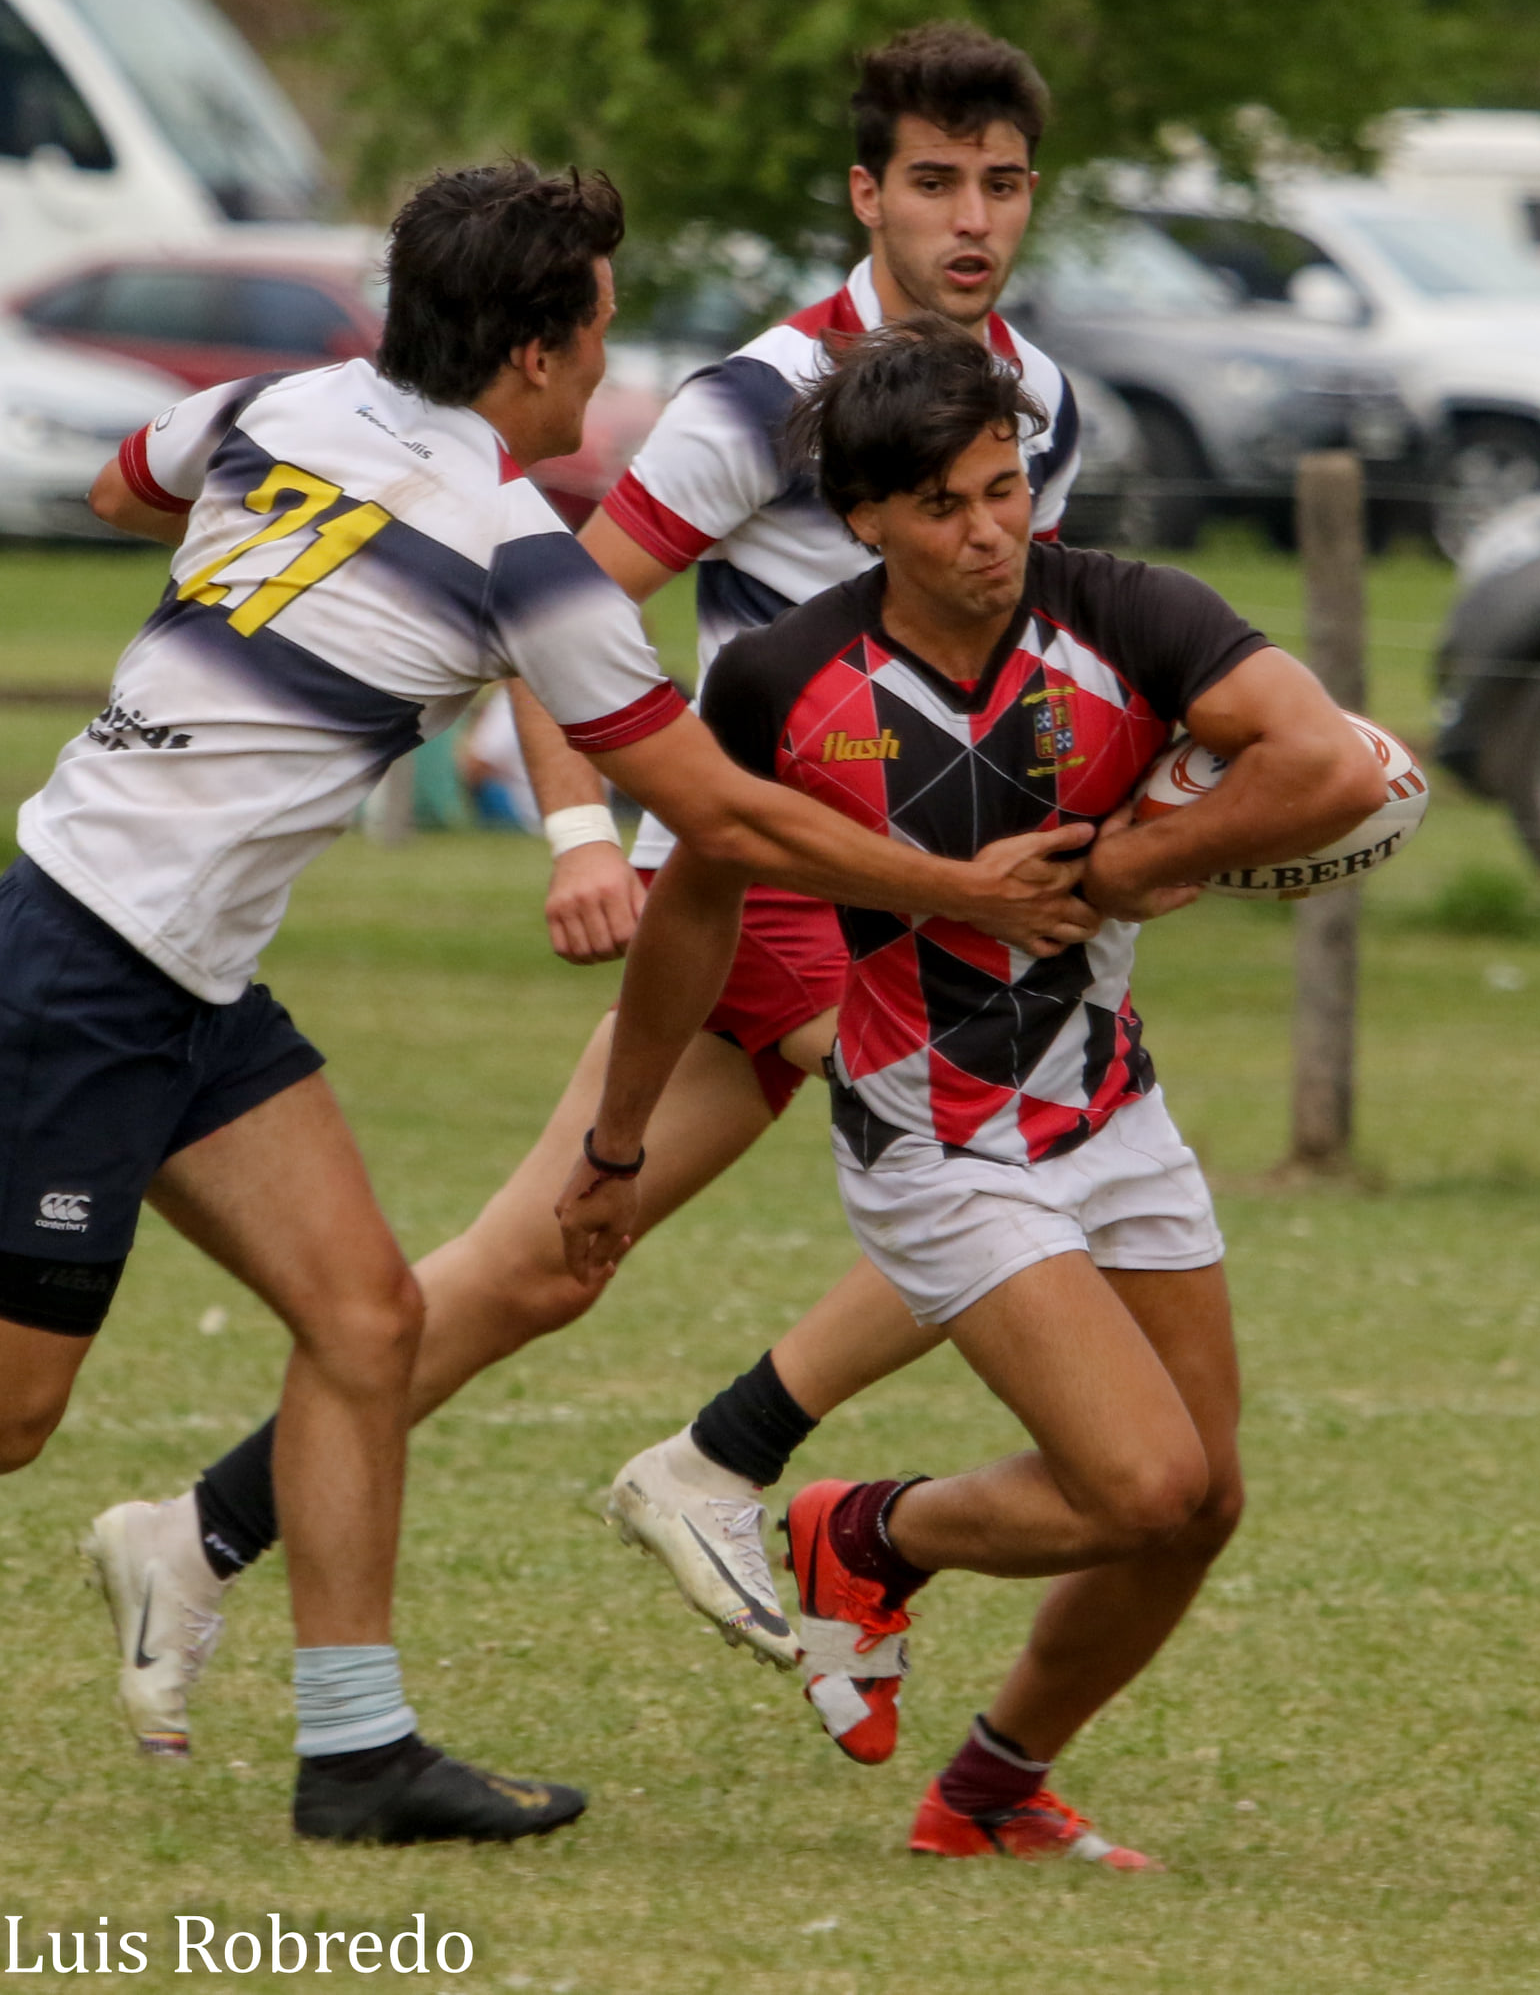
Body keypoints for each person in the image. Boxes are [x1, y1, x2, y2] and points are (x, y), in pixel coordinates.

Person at [14, 160, 1093, 1842]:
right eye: (594, 325)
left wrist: (281, 566)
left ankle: (357, 1753)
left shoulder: (271, 403)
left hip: (189, 976)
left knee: (368, 1321)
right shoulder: (514, 548)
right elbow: (721, 819)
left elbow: (115, 486)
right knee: (16, 1414)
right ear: (531, 353)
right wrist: (969, 890)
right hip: (82, 965)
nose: (607, 362)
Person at [561, 317, 1386, 1865]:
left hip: (1117, 1115)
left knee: (1204, 1506)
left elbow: (1332, 764)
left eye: (1005, 488)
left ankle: (991, 1789)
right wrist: (615, 1140)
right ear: (865, 517)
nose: (991, 529)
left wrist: (1137, 862)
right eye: (944, 505)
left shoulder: (1124, 612)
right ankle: (860, 1532)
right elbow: (695, 909)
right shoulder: (783, 679)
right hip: (938, 1144)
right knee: (1143, 1480)